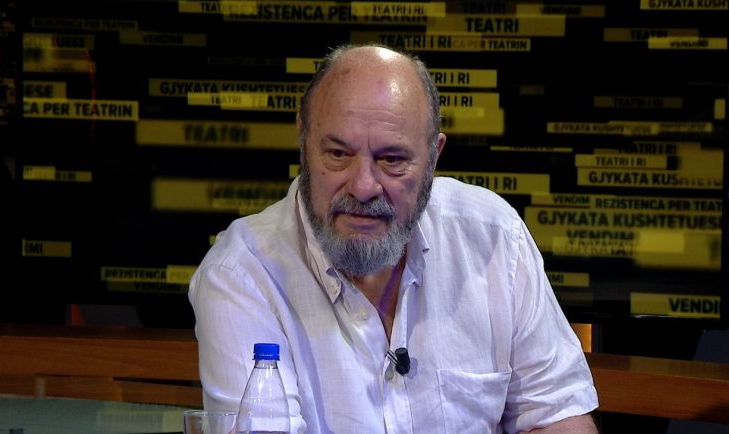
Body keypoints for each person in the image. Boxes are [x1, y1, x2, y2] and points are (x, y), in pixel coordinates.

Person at [189, 43, 599, 433]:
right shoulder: (242, 275)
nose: (363, 187)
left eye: (392, 159)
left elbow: (556, 414)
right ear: (304, 142)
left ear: (434, 157)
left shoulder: (494, 238)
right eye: (338, 154)